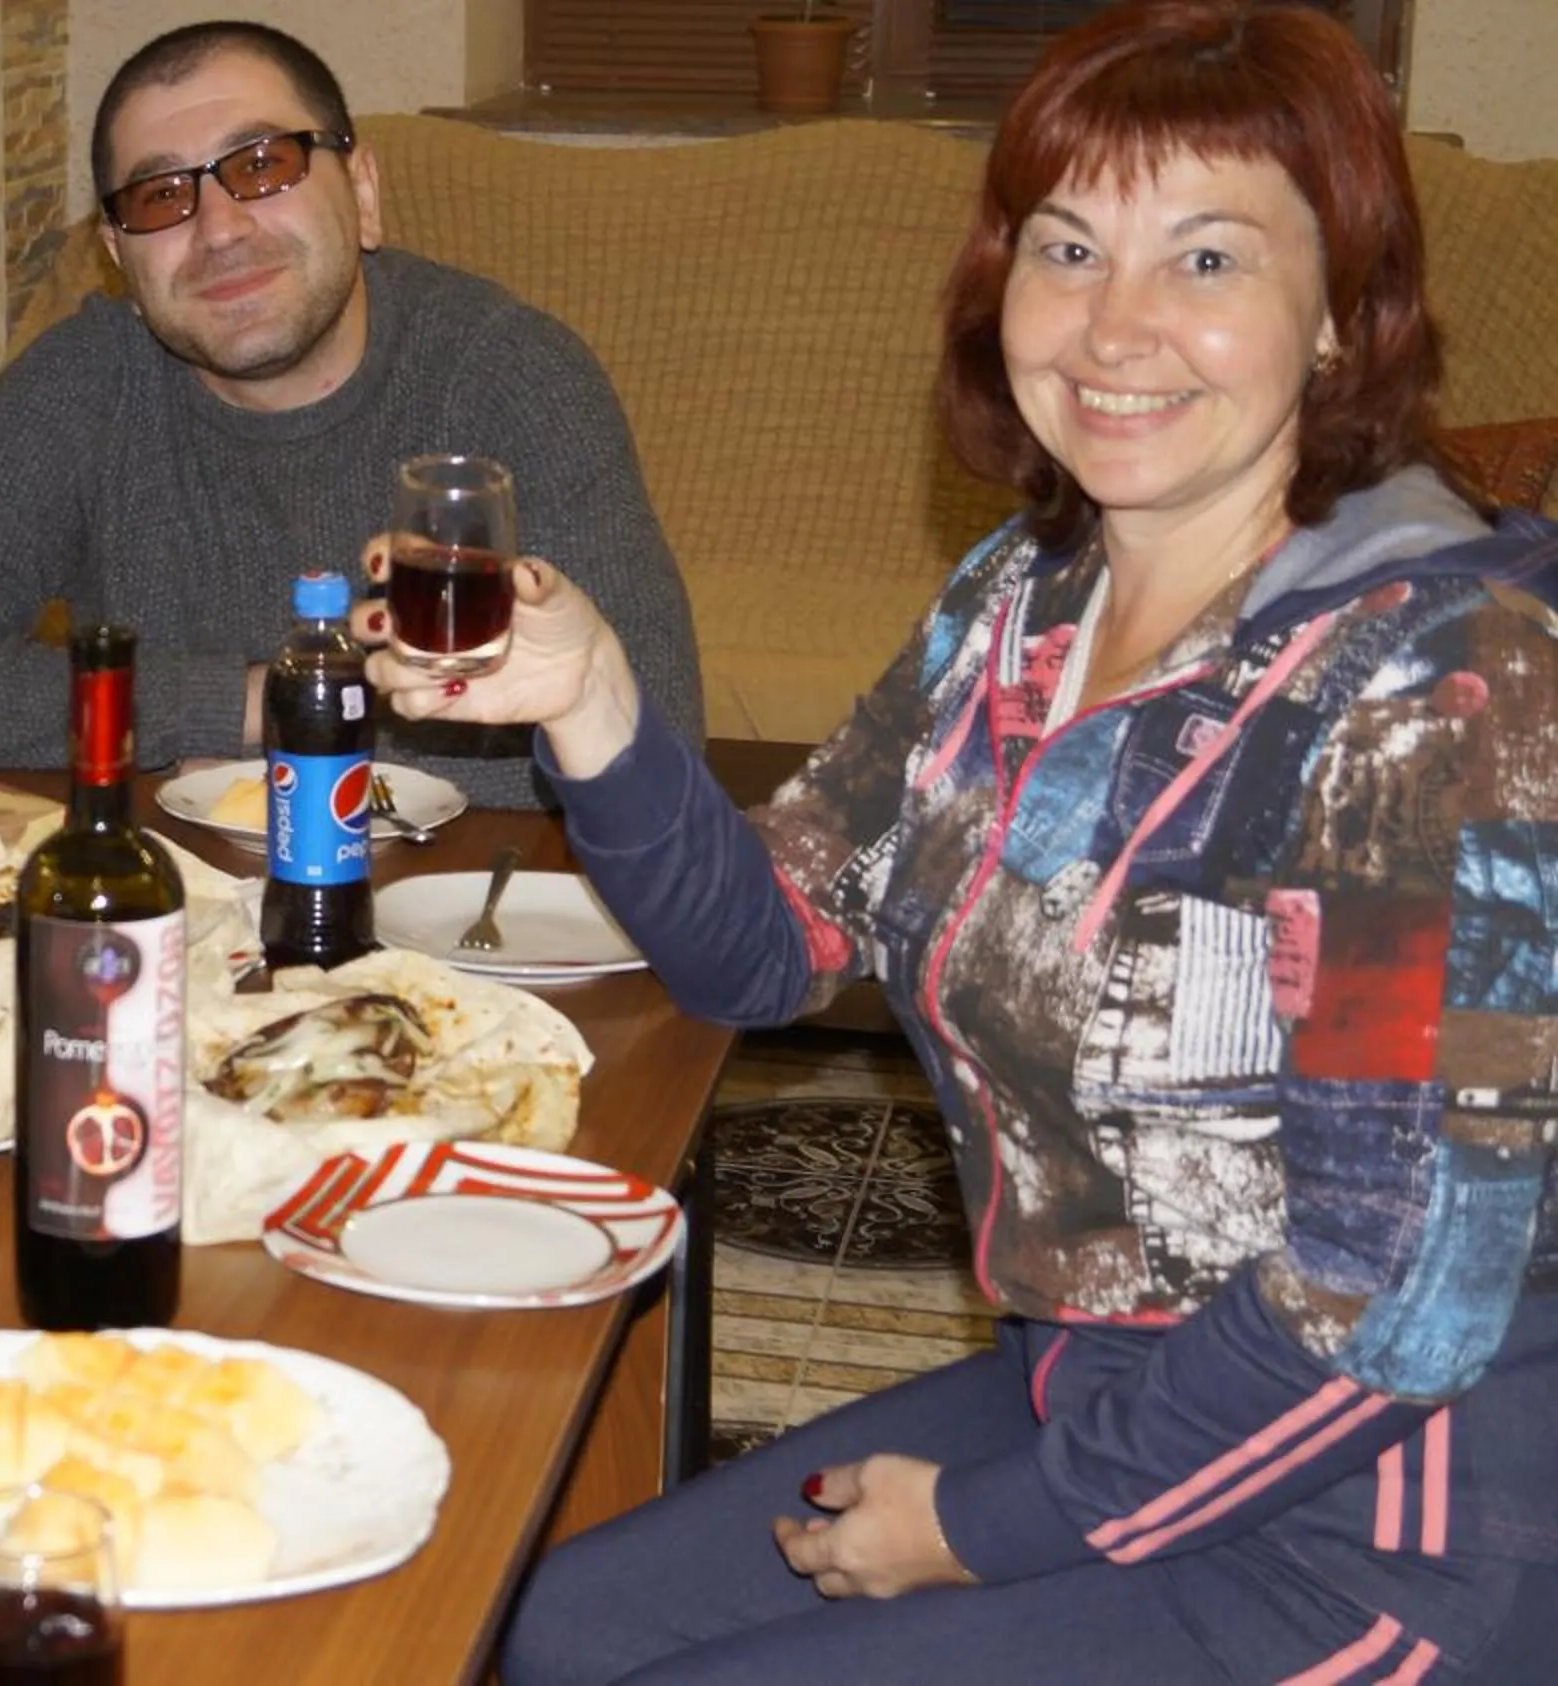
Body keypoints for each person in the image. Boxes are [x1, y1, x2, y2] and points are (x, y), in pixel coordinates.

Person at [354, 5, 1558, 1679]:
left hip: (1372, 1543)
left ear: (1344, 320)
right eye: (1070, 249)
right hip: (1099, 1385)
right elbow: (766, 950)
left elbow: (1392, 1308)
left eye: (1206, 260)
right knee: (543, 1629)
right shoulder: (1022, 605)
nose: (1118, 326)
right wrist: (594, 701)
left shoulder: (1445, 691)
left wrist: (980, 1530)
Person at [0, 20, 700, 809]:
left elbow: (649, 747)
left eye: (261, 166)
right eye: (160, 197)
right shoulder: (81, 384)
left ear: (362, 192)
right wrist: (251, 702)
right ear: (117, 259)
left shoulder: (511, 376)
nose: (218, 229)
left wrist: (302, 741)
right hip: (182, 916)